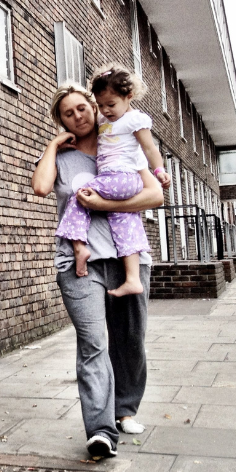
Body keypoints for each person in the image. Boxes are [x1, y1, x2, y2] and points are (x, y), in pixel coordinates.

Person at [32, 83, 164, 459]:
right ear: (61, 121)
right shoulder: (63, 156)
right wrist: (54, 146)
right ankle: (101, 430)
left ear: (94, 107)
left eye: (82, 108)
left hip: (128, 259)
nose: (78, 116)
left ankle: (125, 409)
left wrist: (102, 202)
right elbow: (41, 187)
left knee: (131, 341)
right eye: (68, 113)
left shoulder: (120, 140)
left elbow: (154, 195)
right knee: (93, 344)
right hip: (79, 266)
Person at [54, 64, 171, 298]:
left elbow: (150, 149)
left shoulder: (133, 119)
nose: (106, 111)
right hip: (118, 180)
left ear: (129, 97)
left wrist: (159, 171)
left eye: (111, 105)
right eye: (101, 105)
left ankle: (78, 248)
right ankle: (133, 279)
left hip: (121, 177)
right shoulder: (105, 119)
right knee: (126, 221)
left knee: (81, 196)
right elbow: (84, 117)